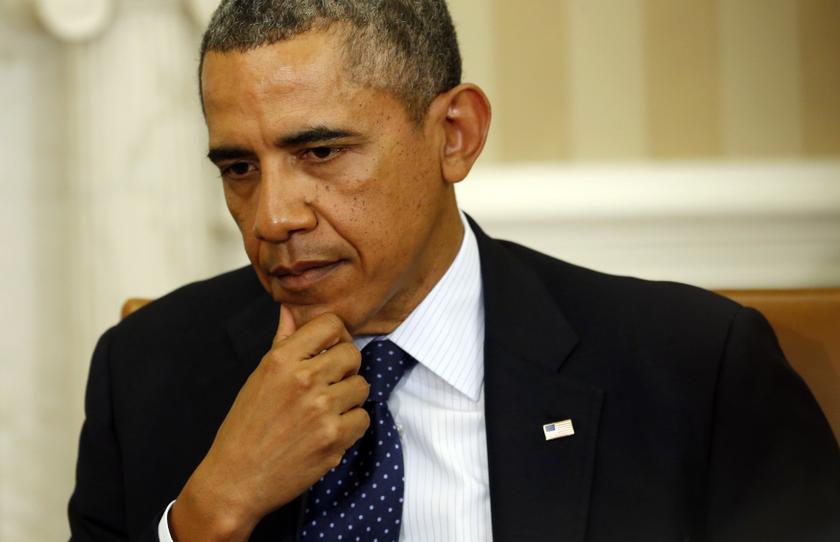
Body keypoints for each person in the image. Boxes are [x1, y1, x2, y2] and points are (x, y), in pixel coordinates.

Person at [68, 1, 840, 541]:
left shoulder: (690, 369)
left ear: (455, 135)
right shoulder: (147, 375)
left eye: (321, 153)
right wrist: (209, 514)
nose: (273, 217)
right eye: (239, 166)